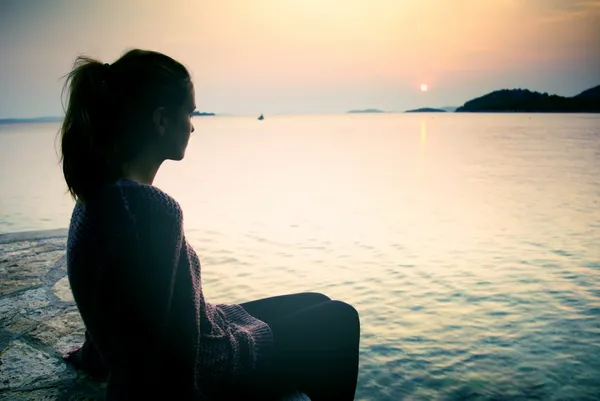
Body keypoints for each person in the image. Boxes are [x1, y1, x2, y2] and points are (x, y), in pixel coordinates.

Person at [60, 49, 360, 401]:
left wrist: (95, 357)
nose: (192, 124)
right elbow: (163, 348)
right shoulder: (151, 211)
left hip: (211, 331)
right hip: (215, 368)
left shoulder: (98, 196)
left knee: (317, 299)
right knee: (341, 318)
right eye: (188, 112)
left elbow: (117, 306)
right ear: (160, 120)